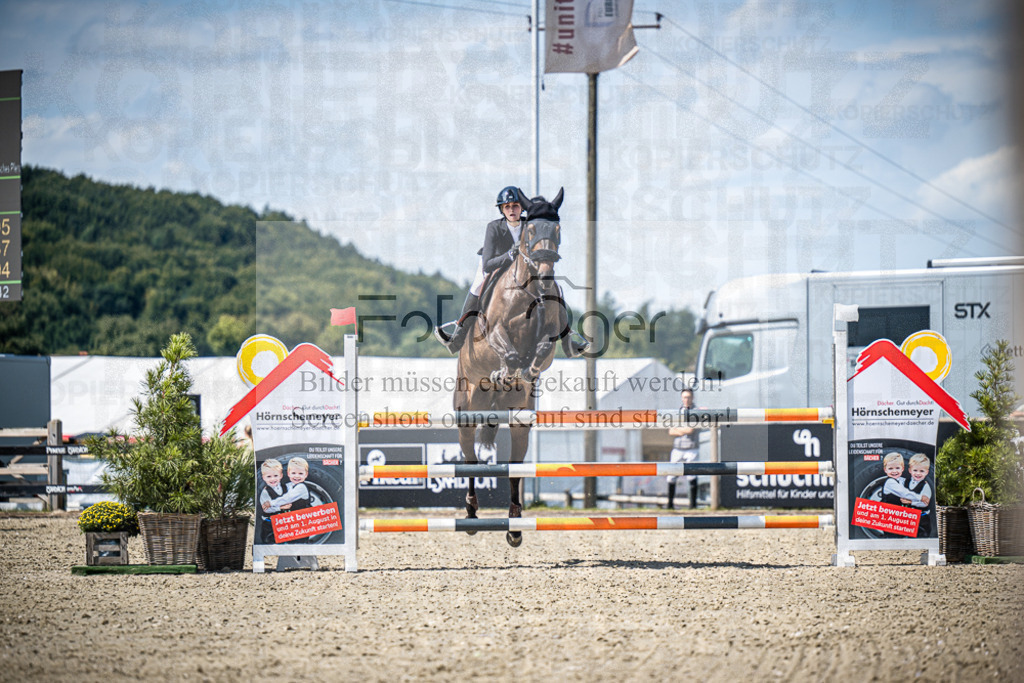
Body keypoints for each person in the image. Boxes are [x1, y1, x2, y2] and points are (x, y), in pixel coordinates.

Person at [434, 186, 526, 354]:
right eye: (507, 206)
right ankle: (457, 337)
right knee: (478, 286)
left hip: (520, 271)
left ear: (521, 207)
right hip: (494, 265)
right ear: (502, 209)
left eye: (515, 206)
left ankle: (567, 335)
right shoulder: (494, 227)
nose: (511, 210)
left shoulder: (529, 226)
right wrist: (510, 254)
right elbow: (488, 264)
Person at [667, 388, 701, 509]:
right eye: (684, 397)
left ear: (692, 398)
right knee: (671, 475)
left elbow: (690, 430)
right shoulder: (677, 411)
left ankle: (693, 505)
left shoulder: (696, 412)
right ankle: (670, 504)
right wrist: (683, 430)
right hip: (677, 448)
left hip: (691, 448)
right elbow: (670, 431)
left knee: (692, 475)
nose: (686, 399)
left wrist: (678, 430)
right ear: (681, 398)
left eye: (688, 397)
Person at [905, 453, 933, 537]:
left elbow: (925, 503)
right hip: (909, 517)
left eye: (922, 471)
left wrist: (911, 502)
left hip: (922, 519)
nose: (918, 474)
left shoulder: (925, 486)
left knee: (921, 536)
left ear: (927, 472)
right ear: (910, 470)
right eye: (915, 470)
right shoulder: (906, 482)